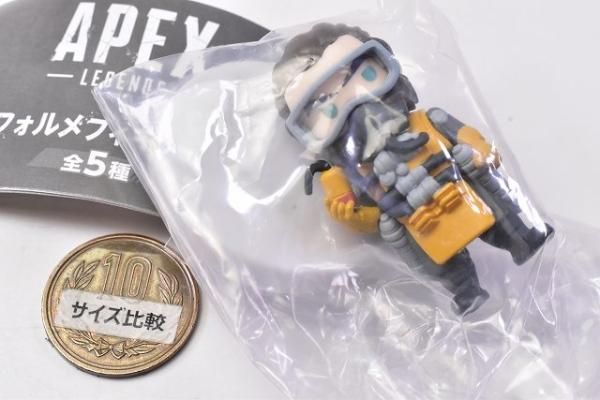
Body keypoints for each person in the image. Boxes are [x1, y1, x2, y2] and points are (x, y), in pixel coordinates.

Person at [273, 23, 553, 314]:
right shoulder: (356, 173)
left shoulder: (428, 121)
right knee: (405, 238)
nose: (359, 109)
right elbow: (370, 219)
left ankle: (522, 237)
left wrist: (479, 151)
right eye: (330, 109)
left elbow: (465, 135)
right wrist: (355, 217)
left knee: (485, 188)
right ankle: (465, 290)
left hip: (460, 188)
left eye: (365, 77)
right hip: (418, 222)